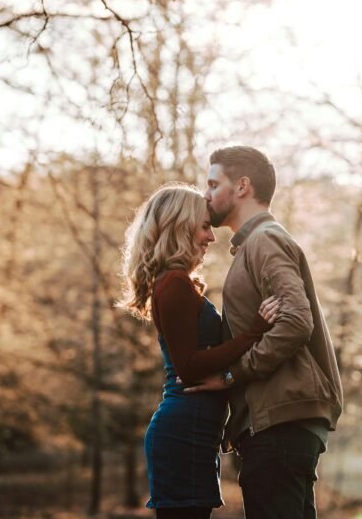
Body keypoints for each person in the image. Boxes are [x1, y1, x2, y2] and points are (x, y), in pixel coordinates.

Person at [185, 145, 343, 519]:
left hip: (279, 426)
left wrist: (232, 375)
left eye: (213, 184)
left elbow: (295, 321)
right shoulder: (250, 247)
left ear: (242, 186)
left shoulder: (265, 240)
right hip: (276, 426)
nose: (206, 195)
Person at [120, 183, 282, 519]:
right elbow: (189, 367)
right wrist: (254, 332)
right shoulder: (174, 284)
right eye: (204, 226)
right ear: (180, 227)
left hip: (195, 429)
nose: (211, 237)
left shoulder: (176, 282)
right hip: (183, 431)